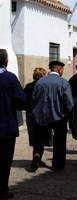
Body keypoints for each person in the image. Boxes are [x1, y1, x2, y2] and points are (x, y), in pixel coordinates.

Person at [31, 61, 74, 171]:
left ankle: (37, 154)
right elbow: (69, 102)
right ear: (60, 70)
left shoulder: (40, 82)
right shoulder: (64, 83)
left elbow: (33, 98)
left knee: (40, 138)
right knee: (59, 140)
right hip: (58, 116)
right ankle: (58, 164)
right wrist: (66, 113)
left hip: (42, 115)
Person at [0, 49, 26, 199]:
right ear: (6, 62)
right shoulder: (10, 79)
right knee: (4, 161)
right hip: (6, 127)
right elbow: (21, 100)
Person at [24, 67, 52, 167]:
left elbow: (24, 100)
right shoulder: (45, 86)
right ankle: (38, 155)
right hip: (42, 113)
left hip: (30, 114)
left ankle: (36, 154)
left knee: (34, 135)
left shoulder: (28, 86)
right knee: (42, 136)